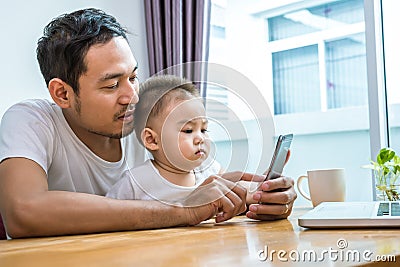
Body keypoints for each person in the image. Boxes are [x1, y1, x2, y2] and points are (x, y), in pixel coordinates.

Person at [0, 8, 296, 239]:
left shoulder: (149, 121)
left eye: (132, 77)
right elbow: (24, 212)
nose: (132, 96)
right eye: (111, 85)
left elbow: (202, 187)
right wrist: (182, 210)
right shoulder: (31, 120)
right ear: (62, 93)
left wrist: (253, 199)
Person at [106, 75, 224, 205]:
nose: (200, 138)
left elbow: (235, 193)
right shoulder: (134, 184)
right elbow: (108, 214)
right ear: (152, 140)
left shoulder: (210, 170)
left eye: (204, 130)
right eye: (188, 130)